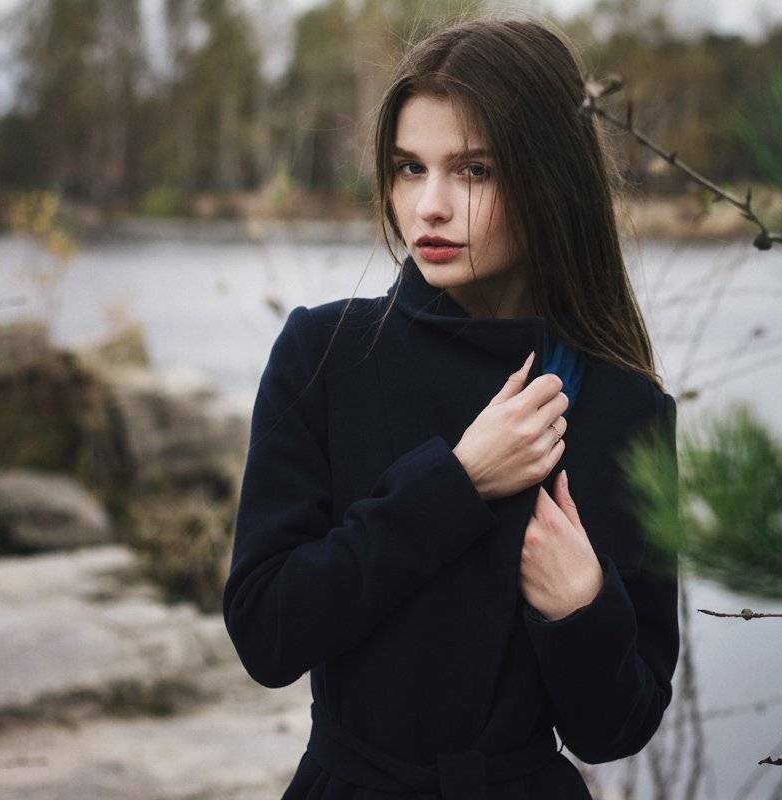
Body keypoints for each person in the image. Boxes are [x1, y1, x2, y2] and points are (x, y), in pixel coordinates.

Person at [222, 11, 681, 800]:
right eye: (409, 168)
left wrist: (583, 607)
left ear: (550, 179)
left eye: (474, 170)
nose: (429, 207)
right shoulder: (324, 355)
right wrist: (457, 484)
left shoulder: (621, 402)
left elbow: (617, 729)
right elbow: (268, 632)